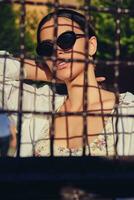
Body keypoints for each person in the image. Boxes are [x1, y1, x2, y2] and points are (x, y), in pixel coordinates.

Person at [1, 9, 134, 157]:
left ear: (91, 45)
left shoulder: (129, 110)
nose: (57, 51)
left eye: (66, 40)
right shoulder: (39, 105)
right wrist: (49, 73)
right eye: (47, 48)